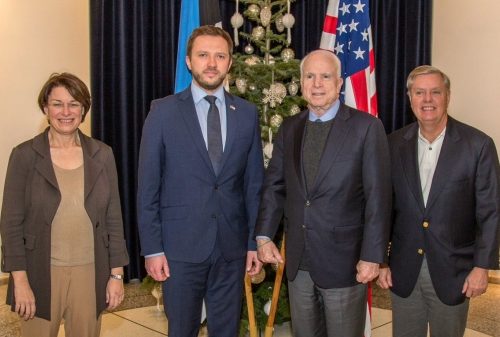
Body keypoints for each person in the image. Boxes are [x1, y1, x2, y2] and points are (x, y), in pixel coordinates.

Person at [137, 25, 264, 337]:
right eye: (203, 55)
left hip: (231, 248)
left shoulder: (246, 114)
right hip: (179, 248)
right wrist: (152, 249)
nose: (211, 63)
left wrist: (253, 244)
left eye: (220, 56)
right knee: (181, 330)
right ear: (189, 61)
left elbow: (253, 185)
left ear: (229, 62)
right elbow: (148, 187)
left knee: (226, 330)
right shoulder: (163, 112)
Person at [255, 49, 392, 337]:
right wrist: (265, 235)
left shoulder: (366, 128)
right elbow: (275, 187)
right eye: (310, 76)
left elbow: (378, 198)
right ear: (302, 82)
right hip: (299, 264)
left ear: (339, 83)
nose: (317, 83)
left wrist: (372, 256)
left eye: (325, 76)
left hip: (345, 264)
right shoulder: (290, 129)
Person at [0, 72, 129, 337]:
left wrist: (116, 276)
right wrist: (20, 281)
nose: (66, 111)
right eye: (58, 104)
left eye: (74, 104)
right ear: (46, 108)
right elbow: (10, 224)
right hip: (39, 272)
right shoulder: (24, 155)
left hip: (91, 271)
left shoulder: (102, 154)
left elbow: (113, 219)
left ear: (83, 110)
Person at [377, 65, 500, 337]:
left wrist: (482, 267)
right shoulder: (392, 144)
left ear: (448, 96)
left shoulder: (478, 145)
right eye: (419, 93)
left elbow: (491, 212)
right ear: (410, 98)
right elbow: (383, 207)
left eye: (435, 92)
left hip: (454, 271)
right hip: (404, 270)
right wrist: (381, 260)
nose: (427, 100)